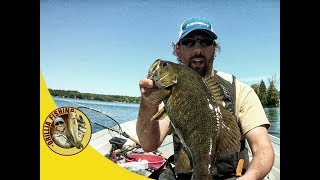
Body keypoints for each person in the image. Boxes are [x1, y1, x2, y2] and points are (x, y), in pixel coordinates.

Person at [136, 17, 275, 180]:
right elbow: (148, 144)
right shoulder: (168, 93)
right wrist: (148, 101)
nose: (197, 49)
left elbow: (262, 148)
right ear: (178, 50)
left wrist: (248, 178)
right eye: (189, 42)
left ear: (215, 49)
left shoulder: (240, 91)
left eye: (205, 42)